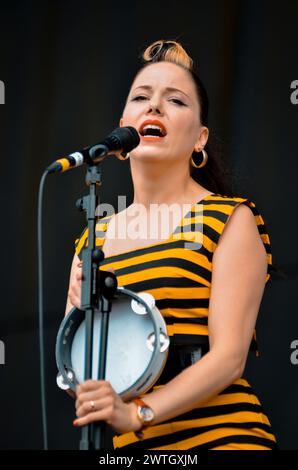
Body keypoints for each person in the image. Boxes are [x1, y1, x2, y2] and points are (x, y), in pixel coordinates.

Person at [65, 39, 277, 450]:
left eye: (175, 100)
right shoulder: (94, 237)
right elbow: (79, 377)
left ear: (200, 138)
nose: (155, 106)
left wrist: (139, 413)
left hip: (223, 437)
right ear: (123, 128)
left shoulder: (230, 218)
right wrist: (79, 320)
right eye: (141, 97)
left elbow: (229, 357)